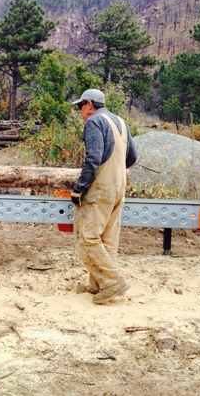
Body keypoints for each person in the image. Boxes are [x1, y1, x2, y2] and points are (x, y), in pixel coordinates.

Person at [71, 89, 138, 305]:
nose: (80, 111)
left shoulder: (94, 122)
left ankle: (112, 281)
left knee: (88, 237)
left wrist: (80, 188)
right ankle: (98, 285)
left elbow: (93, 158)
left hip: (101, 189)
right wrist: (115, 172)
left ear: (89, 104)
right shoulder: (121, 121)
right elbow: (133, 157)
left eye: (80, 106)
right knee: (107, 240)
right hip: (119, 187)